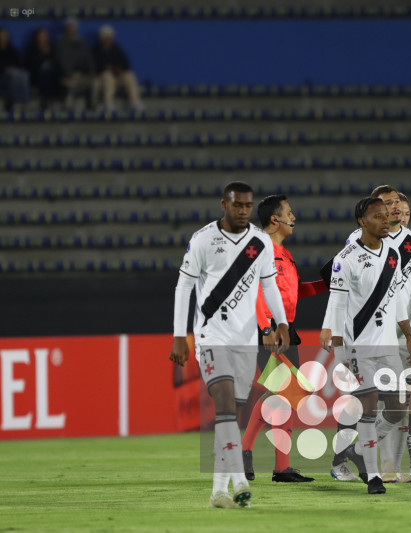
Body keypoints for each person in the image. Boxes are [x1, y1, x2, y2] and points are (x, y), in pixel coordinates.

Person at [170, 182, 290, 508]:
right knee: (223, 402)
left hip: (245, 341)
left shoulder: (260, 242)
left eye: (248, 207)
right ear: (224, 204)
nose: (242, 212)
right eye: (237, 206)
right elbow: (184, 287)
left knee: (232, 416)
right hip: (212, 336)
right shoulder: (203, 239)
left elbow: (269, 285)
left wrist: (281, 323)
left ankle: (218, 491)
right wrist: (180, 335)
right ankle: (239, 483)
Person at [321, 185, 411, 483]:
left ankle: (389, 463)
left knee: (401, 401)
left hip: (393, 335)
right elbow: (337, 293)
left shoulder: (405, 246)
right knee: (360, 403)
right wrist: (332, 331)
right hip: (357, 338)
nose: (393, 211)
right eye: (386, 206)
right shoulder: (354, 246)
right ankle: (347, 463)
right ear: (368, 216)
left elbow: (403, 294)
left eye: (397, 205)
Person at [324, 197, 411, 494]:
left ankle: (358, 450)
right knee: (367, 405)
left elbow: (400, 297)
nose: (386, 220)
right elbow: (337, 304)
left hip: (388, 347)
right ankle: (374, 476)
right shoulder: (346, 258)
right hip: (358, 348)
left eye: (386, 216)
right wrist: (339, 350)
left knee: (398, 406)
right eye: (378, 216)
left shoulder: (393, 253)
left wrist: (410, 336)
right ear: (362, 222)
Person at [240, 195, 328, 483]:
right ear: (274, 219)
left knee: (285, 396)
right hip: (266, 331)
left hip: (286, 330)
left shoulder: (284, 253)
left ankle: (276, 465)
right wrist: (265, 329)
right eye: (289, 213)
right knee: (287, 392)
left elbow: (293, 292)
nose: (294, 218)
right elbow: (252, 290)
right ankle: (251, 455)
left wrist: (327, 284)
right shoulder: (259, 248)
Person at [92, 25, 144, 112]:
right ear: (102, 38)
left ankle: (134, 101)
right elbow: (95, 67)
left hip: (117, 77)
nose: (109, 40)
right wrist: (106, 68)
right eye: (106, 37)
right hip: (105, 80)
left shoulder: (117, 49)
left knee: (129, 75)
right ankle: (108, 102)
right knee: (107, 75)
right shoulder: (96, 51)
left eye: (110, 37)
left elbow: (126, 64)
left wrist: (117, 69)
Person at [55, 17, 94, 110]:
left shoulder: (82, 42)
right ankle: (67, 107)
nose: (70, 29)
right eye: (68, 26)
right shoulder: (60, 42)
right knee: (71, 82)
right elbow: (60, 61)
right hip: (67, 75)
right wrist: (66, 75)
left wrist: (92, 72)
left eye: (72, 27)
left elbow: (88, 59)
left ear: (76, 28)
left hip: (82, 75)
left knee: (95, 83)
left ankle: (93, 106)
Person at [24, 28, 60, 109]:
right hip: (35, 75)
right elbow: (30, 65)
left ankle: (54, 100)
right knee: (45, 69)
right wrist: (42, 54)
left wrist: (47, 54)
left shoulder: (51, 47)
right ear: (36, 37)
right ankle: (45, 100)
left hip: (52, 75)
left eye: (45, 36)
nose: (43, 38)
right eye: (41, 36)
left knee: (52, 70)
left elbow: (56, 62)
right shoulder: (30, 48)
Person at [0, 27, 31, 112]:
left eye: (5, 36)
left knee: (24, 74)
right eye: (1, 36)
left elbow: (19, 64)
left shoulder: (11, 50)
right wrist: (6, 69)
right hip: (2, 76)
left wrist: (14, 69)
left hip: (14, 73)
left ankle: (25, 102)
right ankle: (16, 102)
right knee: (13, 76)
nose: (3, 38)